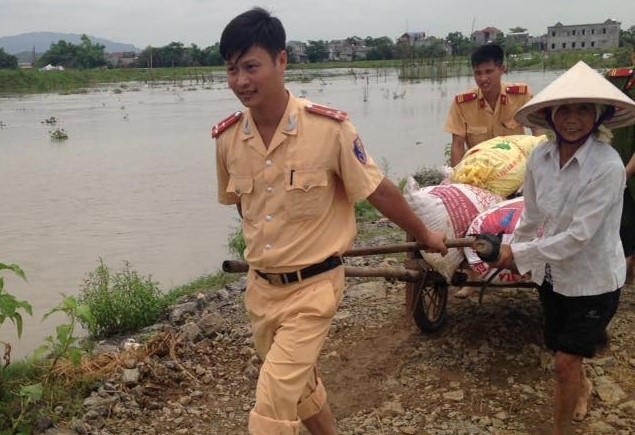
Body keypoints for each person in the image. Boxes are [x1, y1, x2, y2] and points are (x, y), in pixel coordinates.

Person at [212, 8, 447, 435]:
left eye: (251, 66)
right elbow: (245, 210)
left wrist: (424, 234)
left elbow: (377, 190)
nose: (241, 80)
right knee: (299, 386)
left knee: (272, 404)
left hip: (314, 289)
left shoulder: (329, 129)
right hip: (261, 291)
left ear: (281, 61)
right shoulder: (228, 139)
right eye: (232, 69)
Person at [481, 61, 635, 435]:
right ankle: (582, 385)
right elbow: (532, 217)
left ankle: (560, 429)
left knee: (564, 361)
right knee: (561, 350)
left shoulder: (607, 166)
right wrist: (511, 254)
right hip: (553, 276)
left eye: (584, 109)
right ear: (549, 115)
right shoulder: (540, 158)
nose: (573, 119)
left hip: (593, 279)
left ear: (599, 115)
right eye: (564, 109)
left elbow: (579, 236)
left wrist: (516, 255)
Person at [445, 43, 537, 167]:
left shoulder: (521, 95)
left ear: (502, 69)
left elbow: (538, 131)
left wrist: (539, 166)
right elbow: (458, 144)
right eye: (478, 73)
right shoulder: (462, 104)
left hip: (516, 167)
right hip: (480, 170)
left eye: (489, 72)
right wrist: (456, 178)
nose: (483, 78)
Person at [606, 61, 635, 283]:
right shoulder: (617, 81)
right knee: (622, 223)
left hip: (622, 173)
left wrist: (622, 174)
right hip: (615, 169)